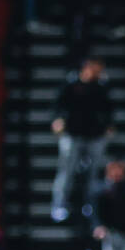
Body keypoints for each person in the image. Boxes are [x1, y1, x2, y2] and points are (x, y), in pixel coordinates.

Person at [51, 58, 112, 223]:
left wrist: (108, 125)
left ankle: (90, 204)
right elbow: (58, 105)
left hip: (94, 135)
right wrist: (57, 120)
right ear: (87, 67)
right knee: (66, 171)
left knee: (93, 174)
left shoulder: (101, 87)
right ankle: (59, 204)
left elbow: (108, 109)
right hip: (72, 134)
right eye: (96, 69)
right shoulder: (71, 84)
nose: (99, 73)